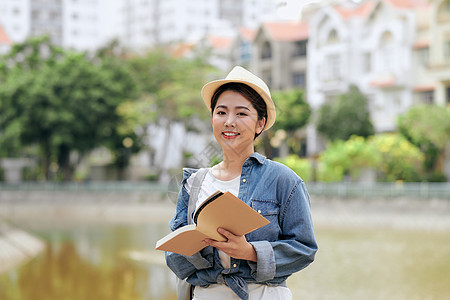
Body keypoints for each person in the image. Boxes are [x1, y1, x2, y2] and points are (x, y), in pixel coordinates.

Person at [165, 66, 317, 300]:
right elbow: (174, 257)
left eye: (242, 114)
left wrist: (251, 252)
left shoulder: (284, 180)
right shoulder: (194, 183)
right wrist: (201, 247)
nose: (229, 122)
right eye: (221, 112)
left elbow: (304, 249)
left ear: (260, 124)